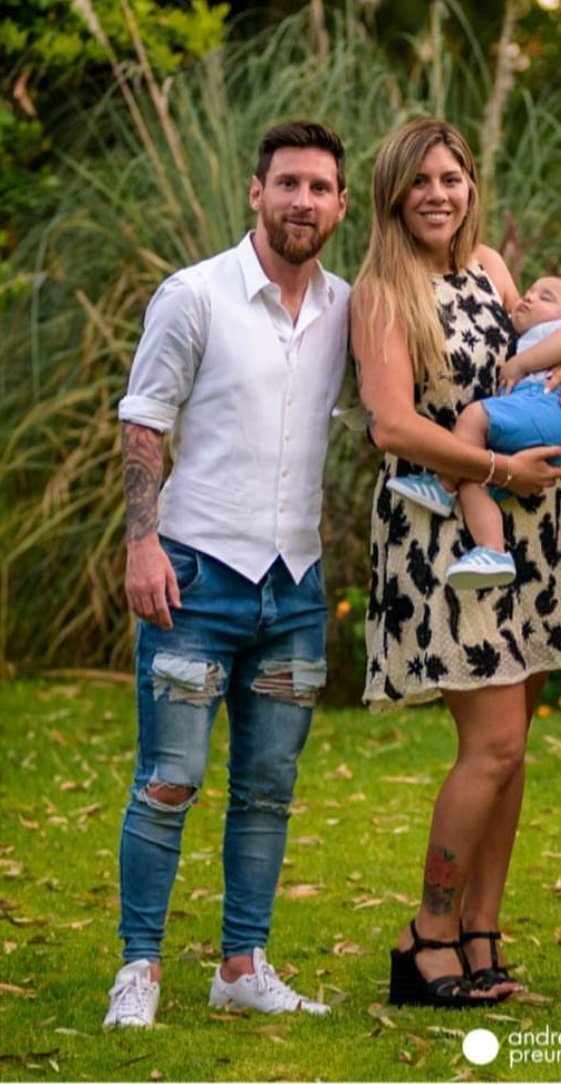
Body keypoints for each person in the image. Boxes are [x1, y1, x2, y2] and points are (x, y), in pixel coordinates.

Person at [104, 121, 350, 1029]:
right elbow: (144, 421)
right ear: (257, 192)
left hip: (295, 589)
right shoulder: (194, 295)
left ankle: (242, 965)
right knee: (169, 780)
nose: (301, 202)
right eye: (287, 184)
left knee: (267, 791)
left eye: (319, 188)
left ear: (340, 205)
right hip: (195, 579)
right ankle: (139, 967)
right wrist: (141, 544)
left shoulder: (348, 308)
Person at [352, 117, 561, 1007]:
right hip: (446, 531)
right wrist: (496, 469)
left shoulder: (489, 267)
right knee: (491, 746)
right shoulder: (383, 291)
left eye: (450, 179)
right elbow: (391, 424)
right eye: (419, 181)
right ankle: (426, 937)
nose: (437, 195)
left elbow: (538, 344)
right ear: (393, 194)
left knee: (513, 749)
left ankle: (481, 936)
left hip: (526, 525)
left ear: (470, 186)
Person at [386, 274, 561, 589]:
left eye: (546, 297)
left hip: (545, 403)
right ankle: (493, 550)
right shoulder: (526, 333)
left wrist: (520, 365)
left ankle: (444, 483)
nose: (530, 297)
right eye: (531, 291)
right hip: (539, 426)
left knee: (474, 416)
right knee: (474, 478)